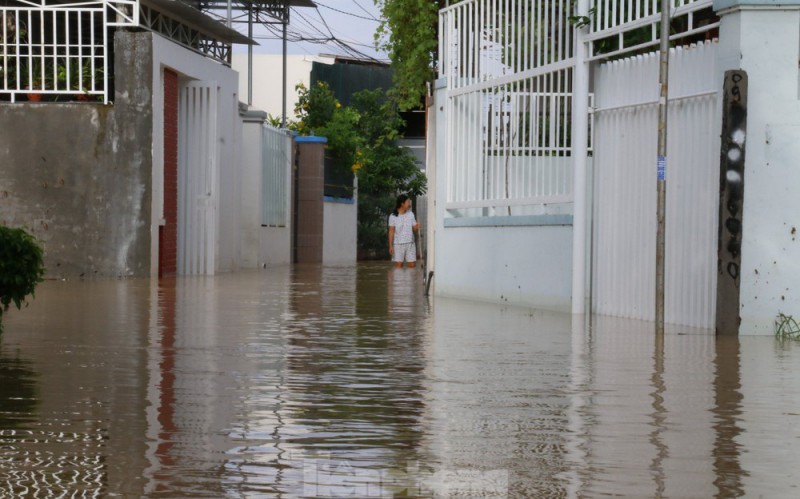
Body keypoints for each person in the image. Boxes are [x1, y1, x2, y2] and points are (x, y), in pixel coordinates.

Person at [388, 194, 420, 268]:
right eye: (408, 202)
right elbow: (391, 232)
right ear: (402, 203)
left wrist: (417, 227)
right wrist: (390, 246)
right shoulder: (393, 216)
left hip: (410, 243)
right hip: (398, 244)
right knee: (399, 266)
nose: (409, 203)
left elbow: (414, 229)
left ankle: (410, 276)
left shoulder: (411, 214)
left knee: (412, 265)